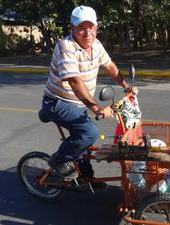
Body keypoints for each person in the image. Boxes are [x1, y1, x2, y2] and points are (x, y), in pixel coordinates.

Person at [41, 5, 131, 189]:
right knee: (90, 133)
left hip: (77, 103)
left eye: (91, 27)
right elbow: (75, 81)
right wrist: (96, 107)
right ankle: (58, 160)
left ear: (96, 28)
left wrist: (126, 86)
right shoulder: (66, 47)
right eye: (81, 28)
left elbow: (110, 66)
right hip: (58, 102)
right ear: (72, 29)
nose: (87, 32)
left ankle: (86, 178)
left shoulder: (96, 45)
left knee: (84, 141)